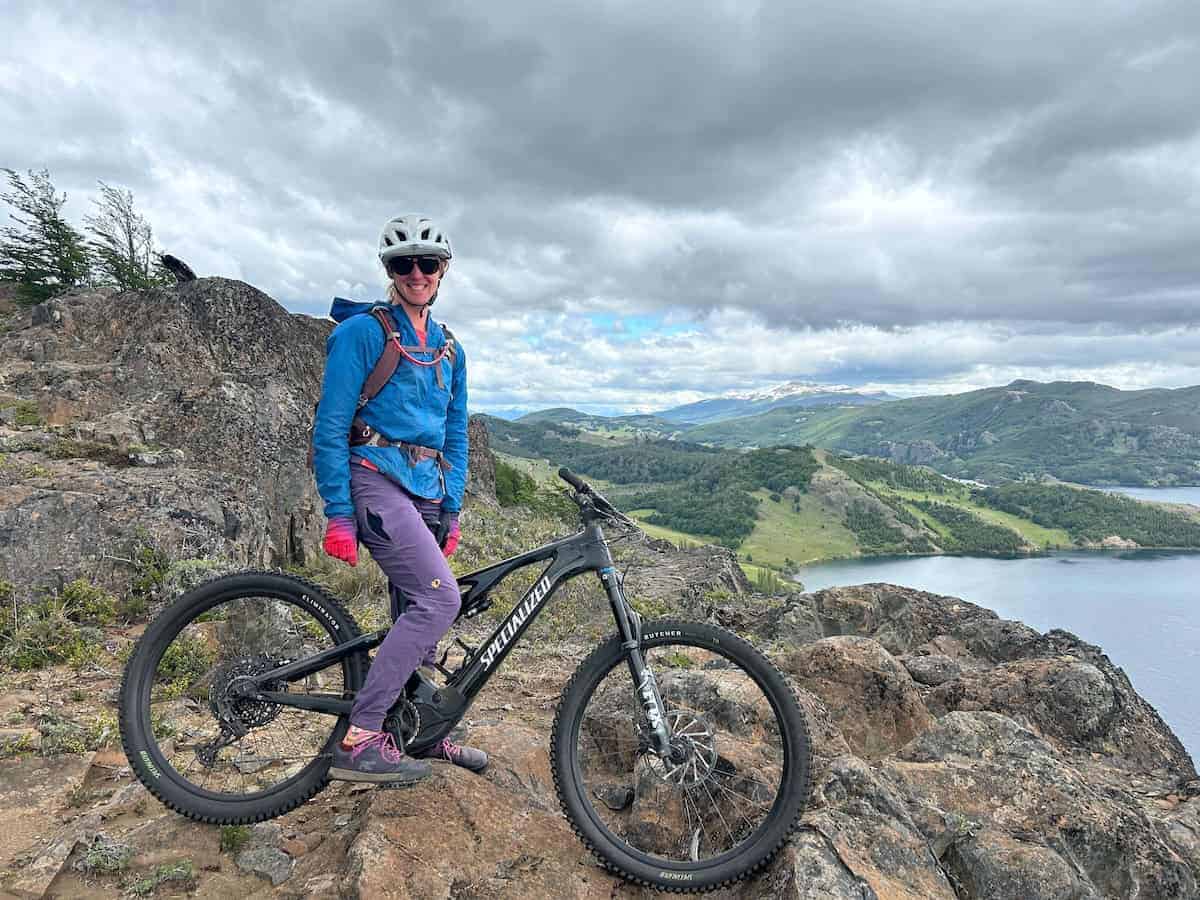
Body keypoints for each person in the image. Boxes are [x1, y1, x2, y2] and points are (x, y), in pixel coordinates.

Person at [311, 214, 486, 783]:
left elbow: (454, 436)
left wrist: (451, 508)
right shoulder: (362, 334)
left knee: (414, 610)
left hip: (427, 492)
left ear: (442, 271)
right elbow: (331, 425)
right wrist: (339, 512)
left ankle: (414, 730)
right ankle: (361, 735)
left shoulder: (451, 350)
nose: (416, 273)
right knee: (439, 604)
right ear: (388, 270)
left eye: (427, 263)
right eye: (402, 263)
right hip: (374, 479)